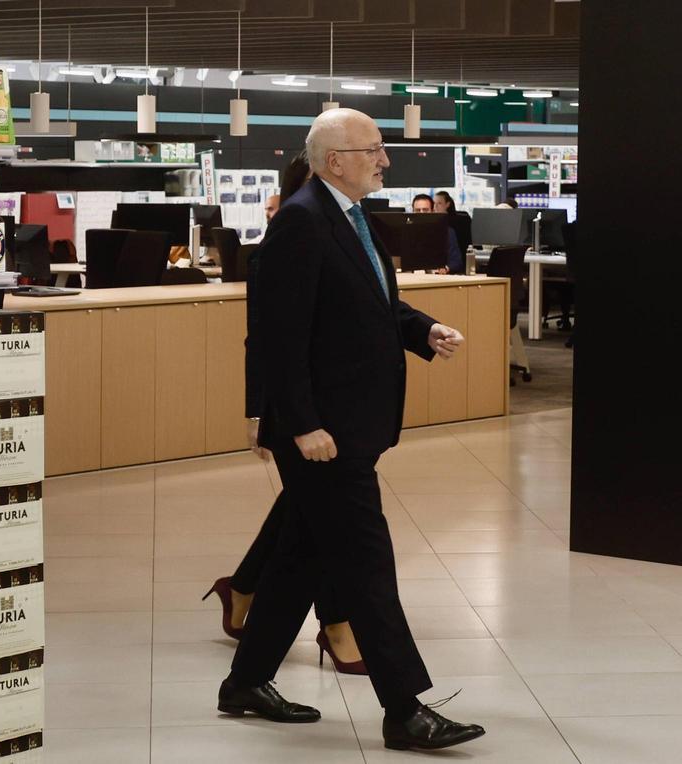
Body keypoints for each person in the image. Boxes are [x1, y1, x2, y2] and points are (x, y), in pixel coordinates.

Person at [217, 108, 485, 752]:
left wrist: (422, 330)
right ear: (334, 159)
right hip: (323, 432)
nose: (384, 160)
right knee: (366, 561)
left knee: (301, 558)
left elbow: (372, 304)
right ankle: (405, 709)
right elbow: (279, 340)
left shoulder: (349, 216)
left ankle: (246, 681)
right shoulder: (301, 224)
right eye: (372, 150)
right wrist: (302, 424)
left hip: (352, 424)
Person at [205, 148, 367, 676]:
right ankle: (337, 624)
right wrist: (260, 410)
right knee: (324, 518)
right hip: (303, 409)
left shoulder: (348, 228)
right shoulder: (296, 229)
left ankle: (245, 592)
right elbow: (268, 336)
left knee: (303, 514)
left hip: (338, 405)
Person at [411, 193, 463, 274]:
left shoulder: (447, 232)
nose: (421, 213)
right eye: (418, 210)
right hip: (410, 278)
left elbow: (456, 261)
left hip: (437, 277)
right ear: (412, 212)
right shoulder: (404, 234)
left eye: (425, 210)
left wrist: (445, 269)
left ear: (432, 211)